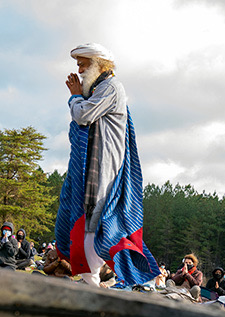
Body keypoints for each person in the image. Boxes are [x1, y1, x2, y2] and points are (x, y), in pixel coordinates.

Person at [55, 43, 158, 286]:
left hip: (103, 168)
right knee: (87, 220)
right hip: (90, 167)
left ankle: (140, 281)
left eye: (83, 64)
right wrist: (80, 98)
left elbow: (83, 115)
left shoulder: (111, 88)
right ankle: (91, 279)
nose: (79, 70)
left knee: (100, 224)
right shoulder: (99, 90)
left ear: (98, 64)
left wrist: (74, 97)